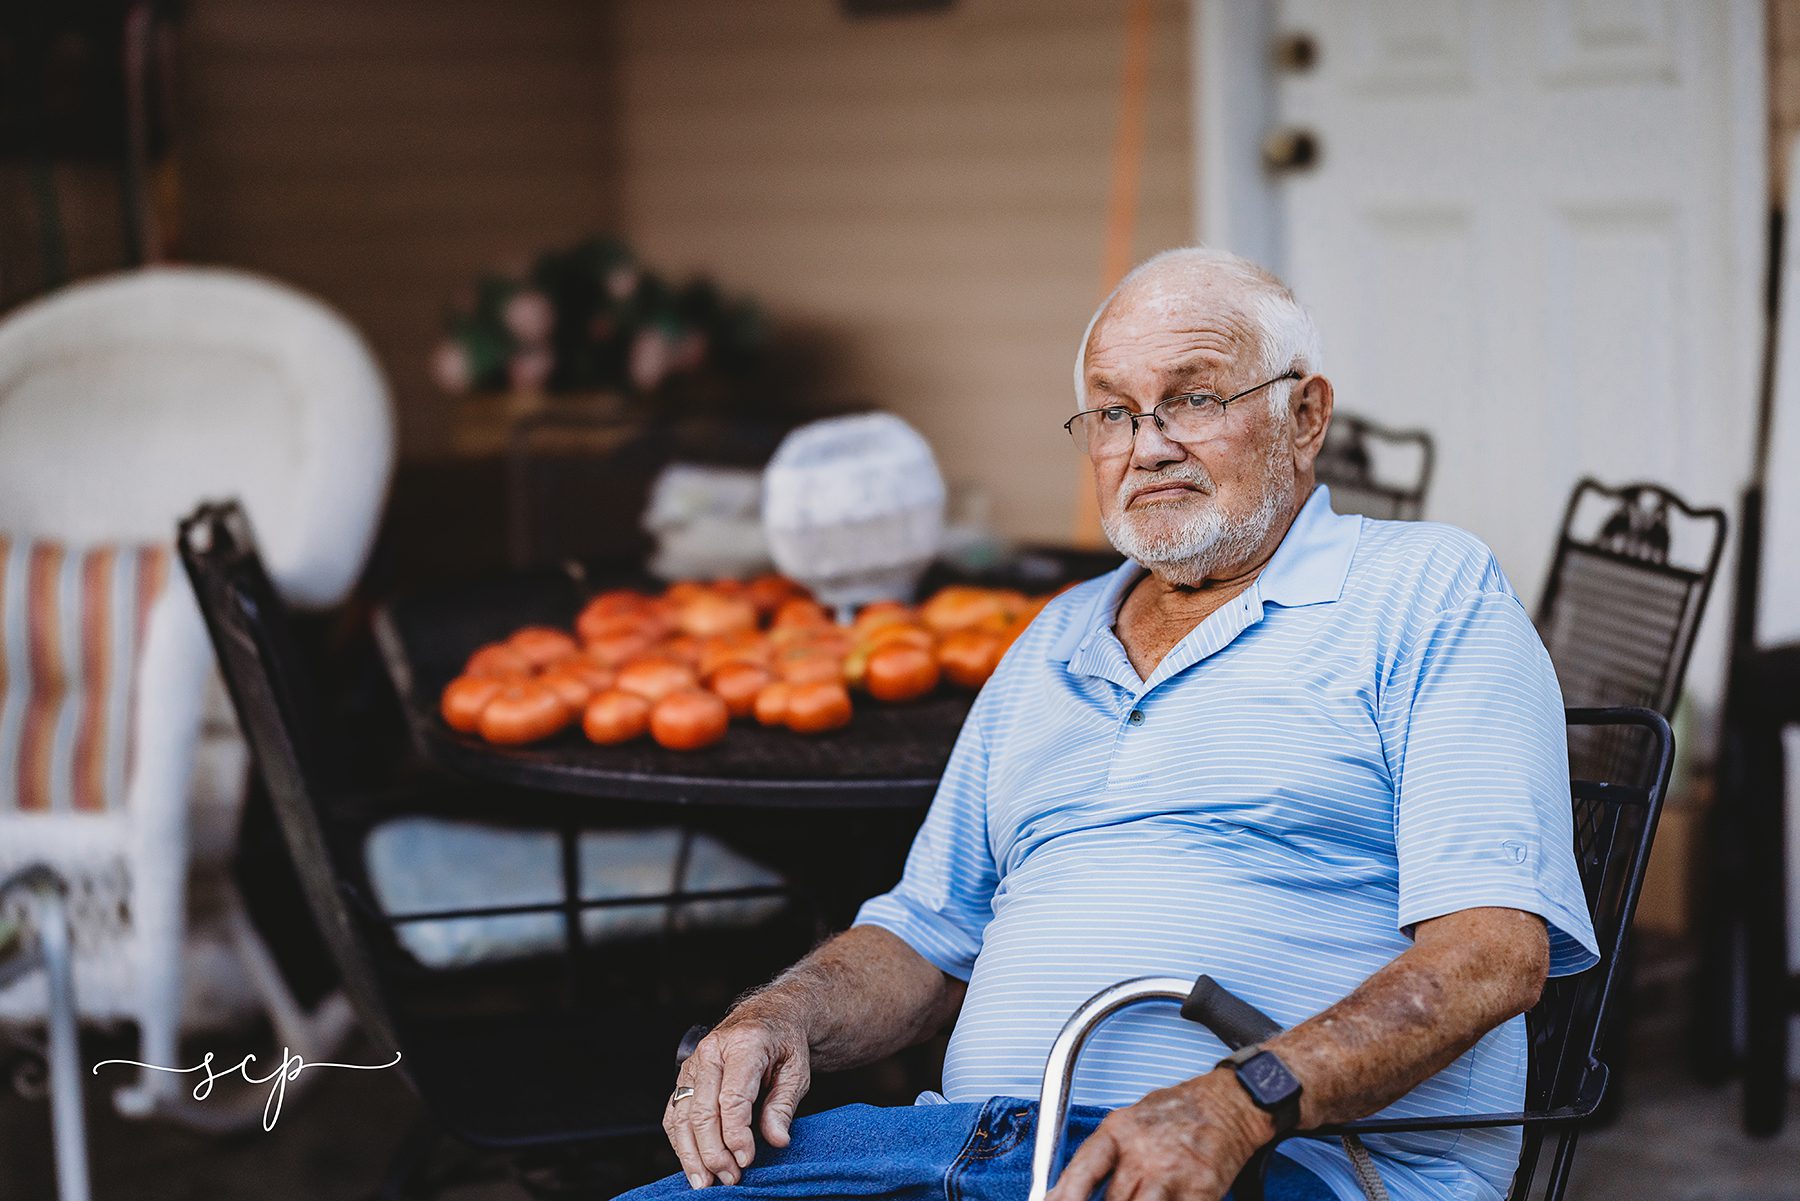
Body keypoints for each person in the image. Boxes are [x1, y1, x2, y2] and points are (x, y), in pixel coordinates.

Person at [619, 248, 1596, 1201]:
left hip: (1275, 1162)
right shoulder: (1053, 636)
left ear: (1306, 416)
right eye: (1115, 412)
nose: (1150, 443)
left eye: (1196, 397)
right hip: (950, 1150)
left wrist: (1238, 1101)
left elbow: (1490, 952)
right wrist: (782, 1013)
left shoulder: (1425, 591)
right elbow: (928, 933)